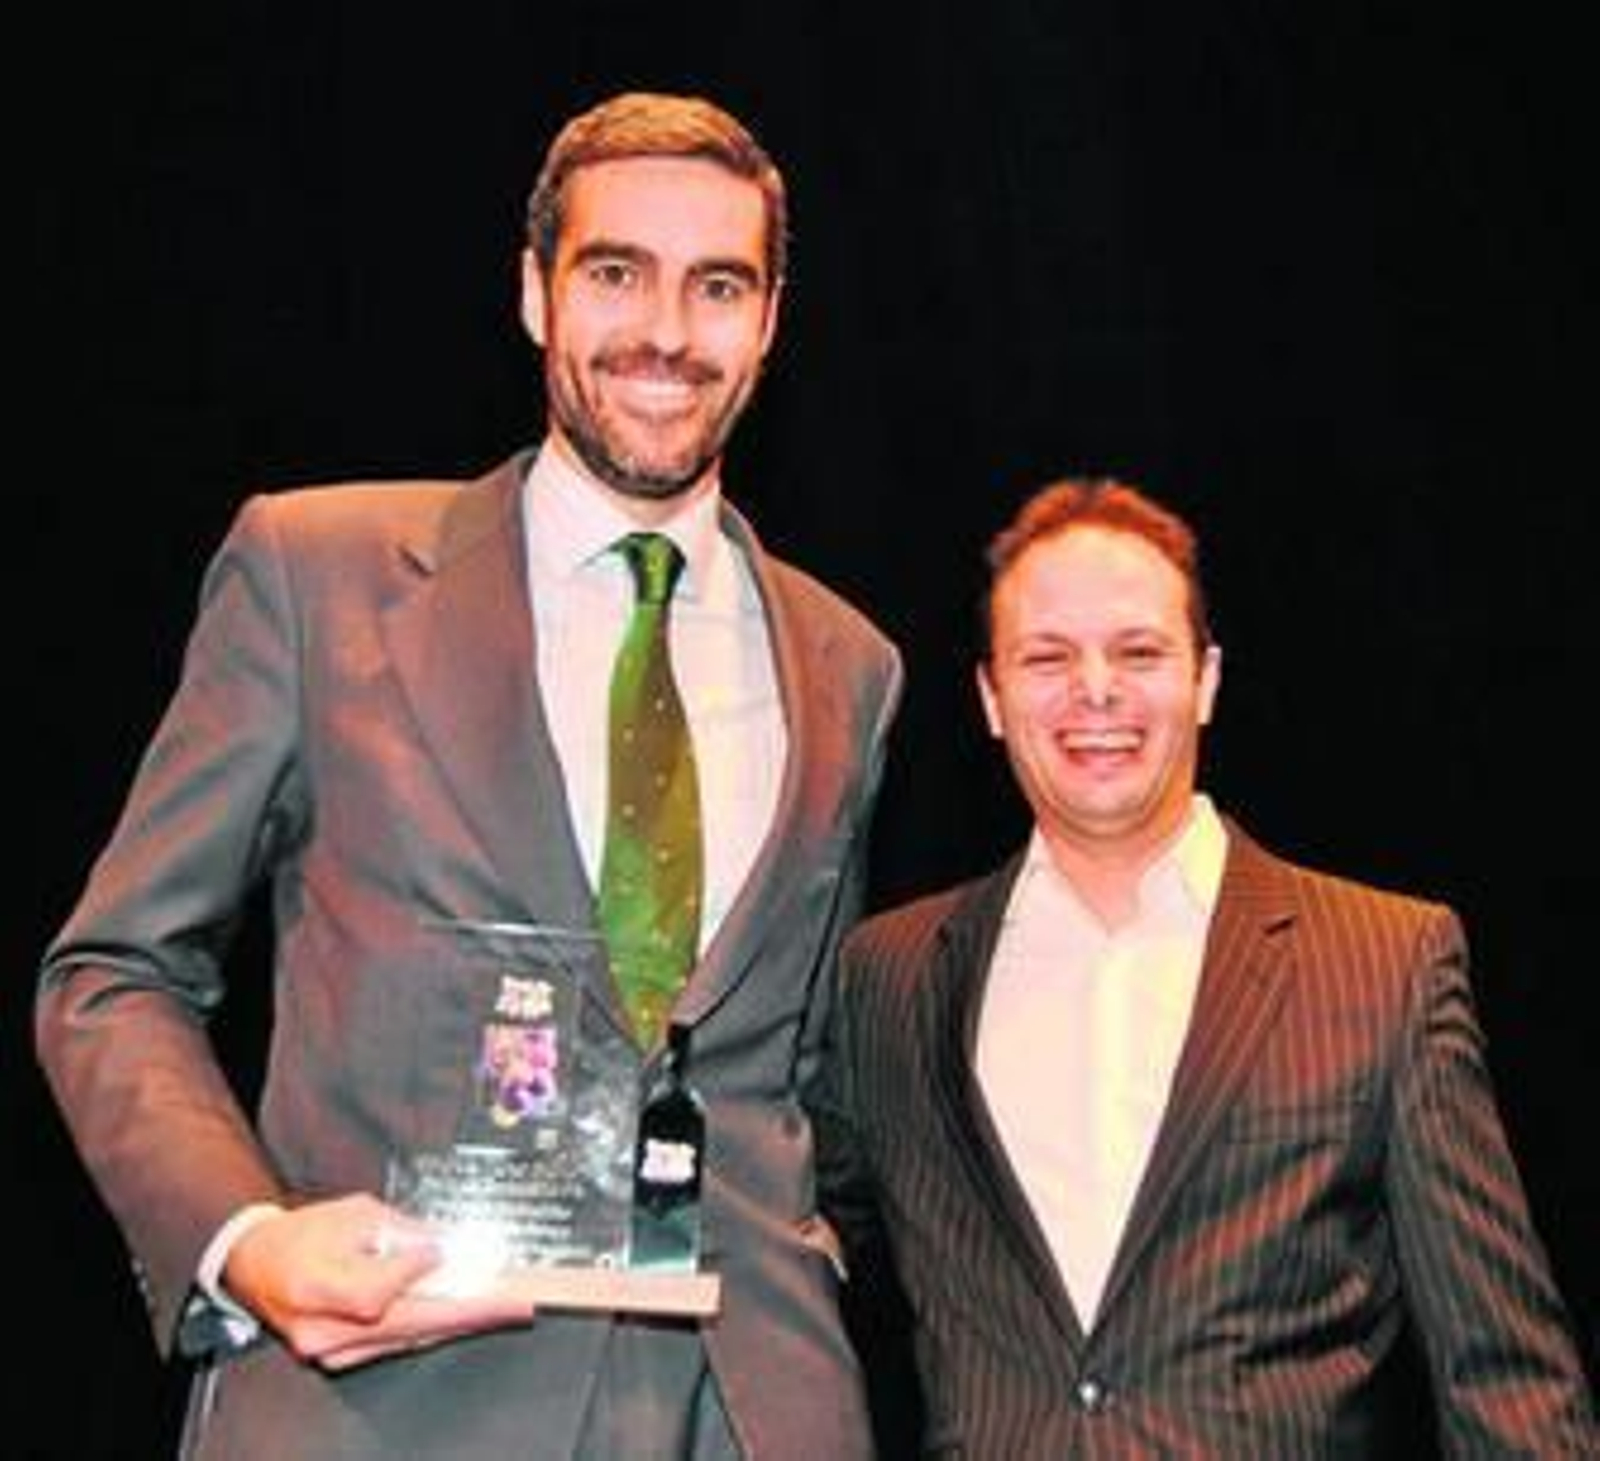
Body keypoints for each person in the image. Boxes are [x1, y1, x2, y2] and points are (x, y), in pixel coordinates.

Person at [36, 91, 902, 1459]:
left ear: (771, 319)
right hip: (385, 1403)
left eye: (718, 285)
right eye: (616, 272)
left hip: (753, 1413)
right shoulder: (316, 577)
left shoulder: (850, 664)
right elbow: (111, 975)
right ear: (535, 294)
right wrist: (246, 1240)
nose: (667, 332)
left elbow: (801, 1074)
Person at [809, 479, 1597, 1454]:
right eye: (1046, 657)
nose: (1095, 690)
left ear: (1206, 677)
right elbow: (791, 1241)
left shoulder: (1384, 963)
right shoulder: (887, 979)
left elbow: (1504, 1377)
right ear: (990, 698)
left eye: (1138, 653)